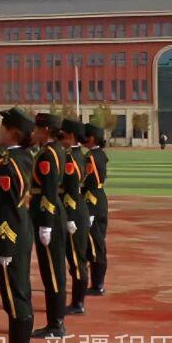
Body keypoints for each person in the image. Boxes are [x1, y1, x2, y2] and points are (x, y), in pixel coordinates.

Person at [0, 107, 35, 343]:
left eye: (2, 127)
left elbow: (6, 207)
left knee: (14, 294)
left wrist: (5, 243)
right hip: (21, 229)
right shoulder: (24, 157)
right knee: (20, 290)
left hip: (10, 233)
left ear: (13, 132)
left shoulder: (8, 164)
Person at [30, 113, 68, 338]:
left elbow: (49, 190)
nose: (34, 133)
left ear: (45, 130)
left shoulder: (48, 154)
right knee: (52, 270)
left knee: (52, 271)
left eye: (37, 129)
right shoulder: (54, 150)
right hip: (52, 214)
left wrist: (45, 223)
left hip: (49, 216)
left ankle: (56, 323)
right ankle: (55, 320)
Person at [59, 119, 90, 316]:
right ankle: (77, 301)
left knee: (76, 260)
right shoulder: (78, 155)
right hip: (78, 209)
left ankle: (78, 303)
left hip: (73, 211)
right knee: (76, 258)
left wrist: (69, 216)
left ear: (71, 136)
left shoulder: (70, 158)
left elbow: (71, 188)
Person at [82, 123, 110, 296]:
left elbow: (87, 181)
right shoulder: (100, 154)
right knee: (98, 242)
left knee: (95, 245)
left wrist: (89, 211)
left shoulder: (90, 157)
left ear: (92, 138)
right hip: (100, 198)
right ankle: (97, 283)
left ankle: (97, 284)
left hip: (92, 200)